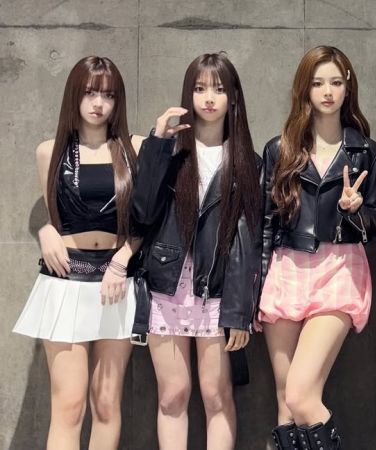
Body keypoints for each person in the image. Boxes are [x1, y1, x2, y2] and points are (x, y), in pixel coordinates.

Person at [130, 53, 261, 450]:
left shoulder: (248, 163)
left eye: (219, 89)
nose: (209, 97)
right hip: (166, 284)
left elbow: (247, 242)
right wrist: (157, 143)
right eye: (200, 88)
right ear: (188, 94)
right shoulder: (168, 152)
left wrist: (239, 312)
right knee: (172, 395)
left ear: (233, 97)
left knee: (216, 394)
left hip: (218, 291)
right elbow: (142, 212)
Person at [259, 45, 376, 450]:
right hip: (285, 269)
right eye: (317, 83)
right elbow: (265, 224)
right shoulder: (279, 150)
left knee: (300, 396)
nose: (327, 91)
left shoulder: (366, 151)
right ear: (304, 89)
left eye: (335, 82)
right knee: (285, 402)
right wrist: (252, 289)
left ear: (348, 87)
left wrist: (355, 210)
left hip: (339, 270)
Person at [13, 56, 143, 450]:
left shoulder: (133, 148)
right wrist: (44, 230)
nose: (98, 103)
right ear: (75, 95)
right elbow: (55, 214)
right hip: (66, 280)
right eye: (89, 92)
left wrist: (124, 258)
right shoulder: (49, 151)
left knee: (106, 404)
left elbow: (147, 218)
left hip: (115, 282)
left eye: (108, 94)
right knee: (69, 406)